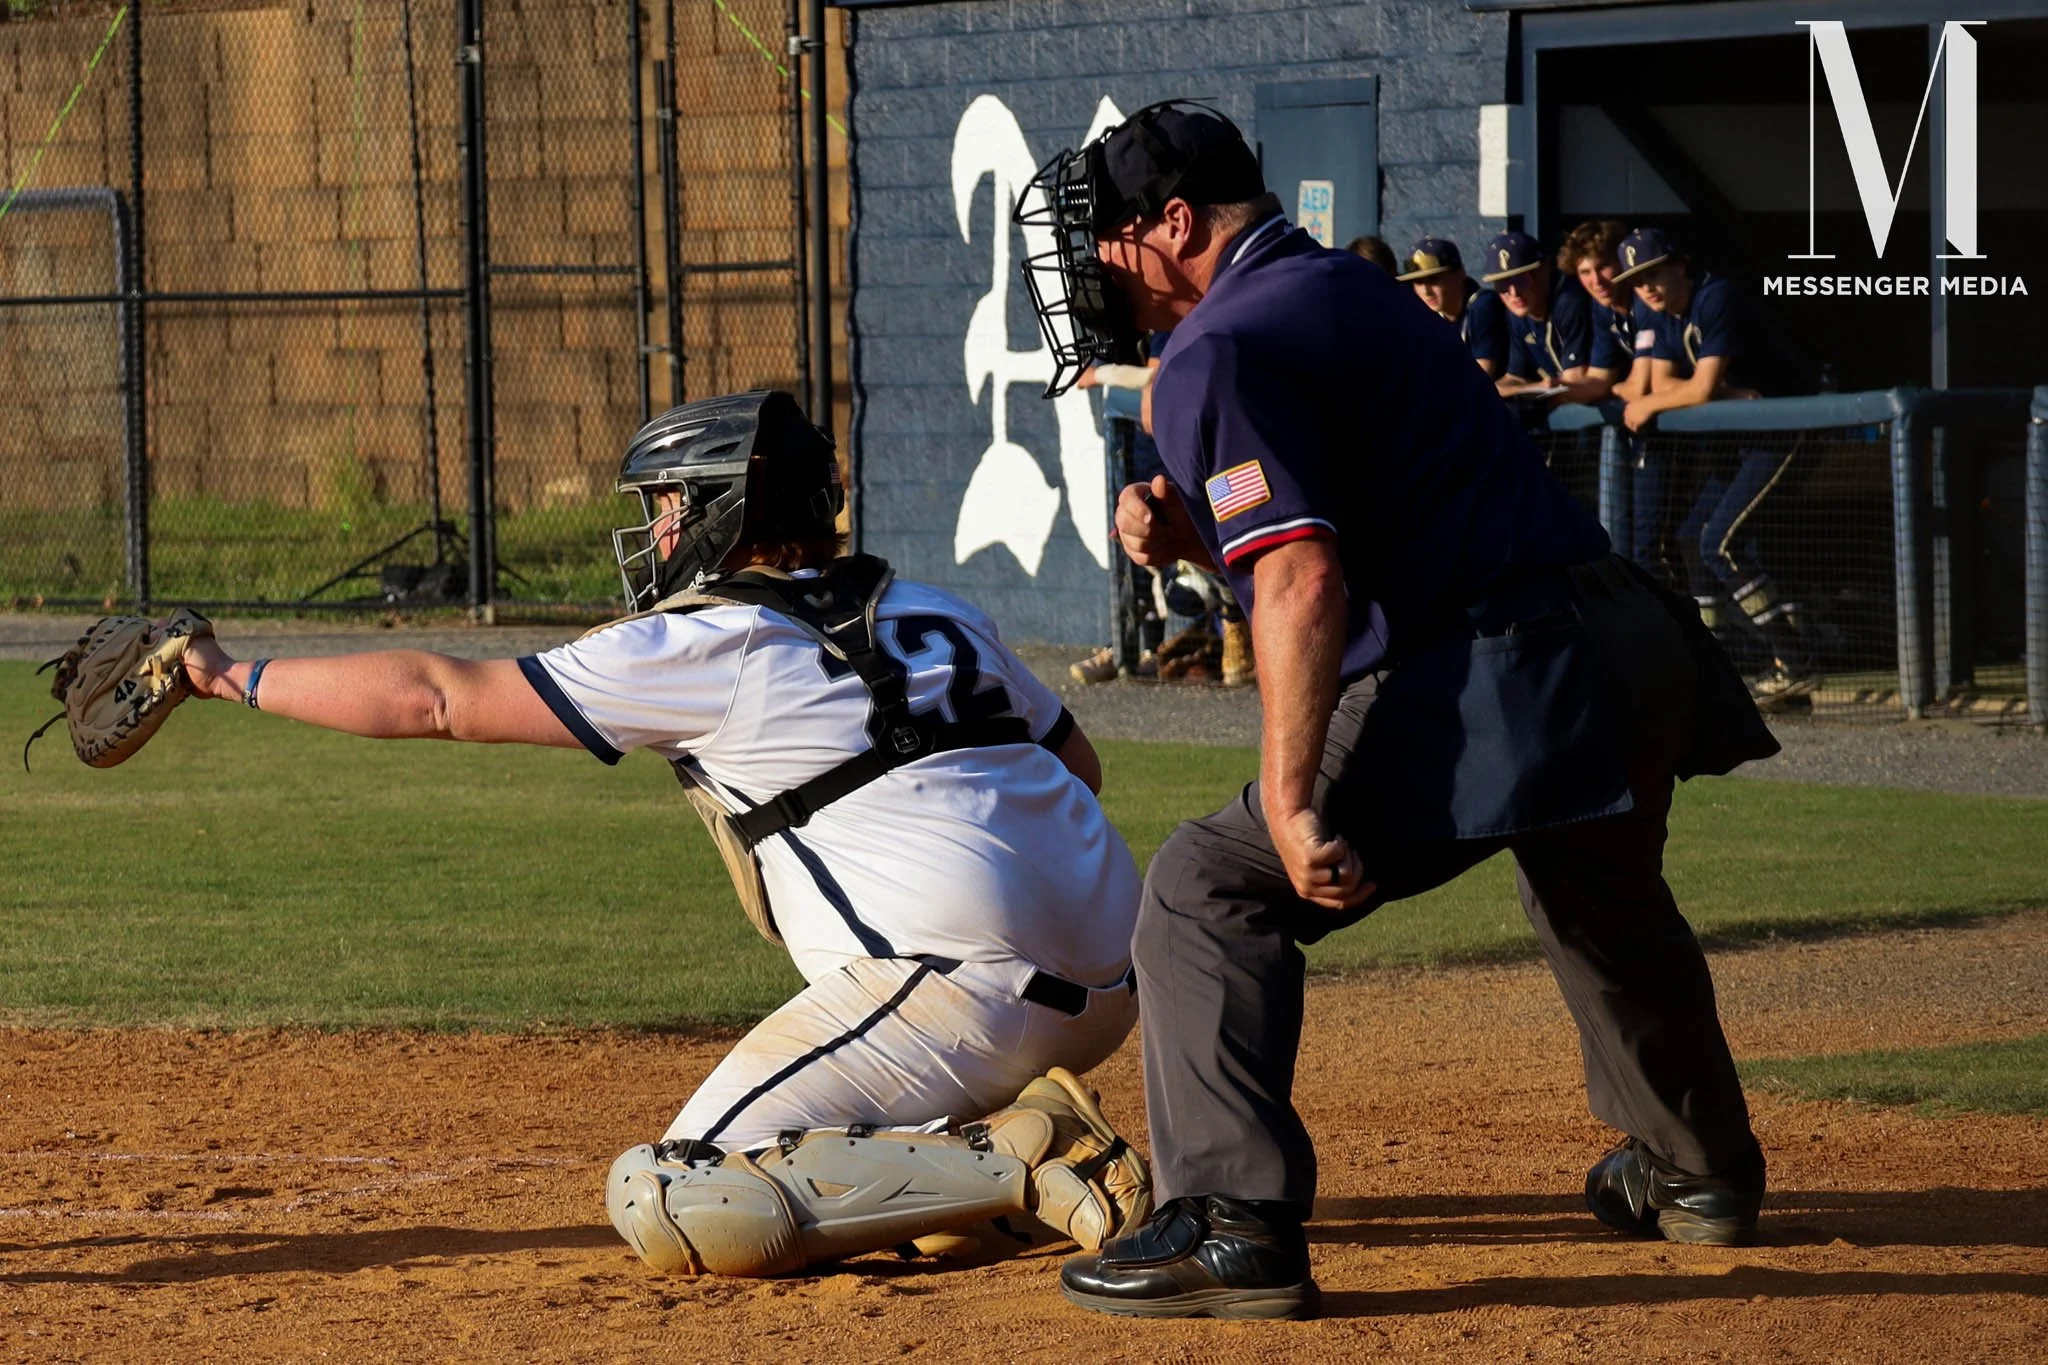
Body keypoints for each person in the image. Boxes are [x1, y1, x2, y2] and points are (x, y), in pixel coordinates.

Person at [1016, 101, 1780, 1321]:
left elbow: (1302, 576)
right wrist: (1208, 544)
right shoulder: (1352, 289)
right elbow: (1360, 524)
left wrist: (1287, 794)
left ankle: (1228, 1223)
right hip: (1626, 638)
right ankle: (1697, 1173)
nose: (1088, 266)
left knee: (1207, 888)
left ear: (1172, 221)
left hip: (1509, 658)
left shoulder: (1211, 346)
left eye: (1103, 234)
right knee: (1598, 891)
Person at [171, 389, 1153, 1277]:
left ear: (721, 510)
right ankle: (973, 1169)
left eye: (667, 503)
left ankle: (1023, 1158)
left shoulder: (704, 640)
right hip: (1115, 984)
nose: (655, 528)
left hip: (955, 994)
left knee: (676, 1190)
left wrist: (227, 675)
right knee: (886, 1188)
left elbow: (436, 698)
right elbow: (1079, 770)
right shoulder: (937, 608)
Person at [1614, 227, 1817, 706]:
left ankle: (1796, 662)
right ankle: (1716, 662)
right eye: (1637, 280)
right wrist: (1716, 392)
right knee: (1691, 538)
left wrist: (1686, 396)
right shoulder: (1663, 312)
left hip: (1787, 425)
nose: (1646, 287)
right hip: (1745, 435)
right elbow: (1665, 384)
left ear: (1679, 264)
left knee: (1720, 543)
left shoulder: (1714, 294)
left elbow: (1690, 390)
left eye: (1653, 274)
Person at [1482, 230, 1610, 407]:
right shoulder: (1518, 312)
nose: (1514, 293)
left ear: (1545, 269)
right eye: (1502, 284)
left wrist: (1538, 389)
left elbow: (1571, 384)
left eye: (1522, 279)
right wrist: (1538, 387)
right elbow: (1513, 378)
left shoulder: (1569, 300)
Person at [1395, 236, 1509, 377]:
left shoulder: (1482, 305)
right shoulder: (1428, 315)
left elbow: (1482, 374)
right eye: (1418, 282)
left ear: (1459, 273)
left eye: (1434, 280)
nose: (1426, 291)